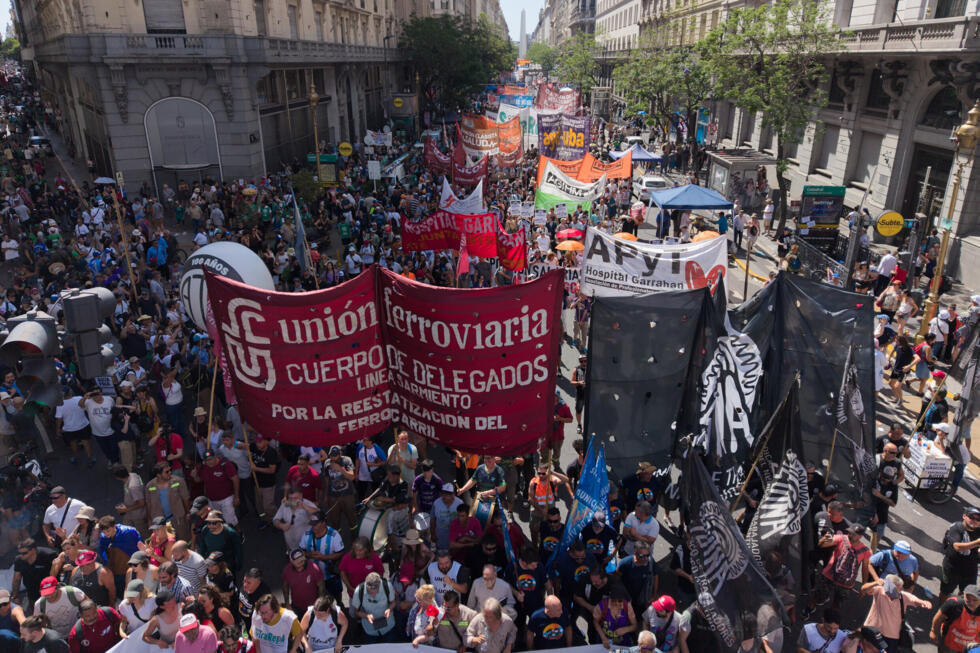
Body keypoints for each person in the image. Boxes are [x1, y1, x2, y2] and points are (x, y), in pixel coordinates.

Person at [860, 575, 930, 652]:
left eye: (899, 590)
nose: (897, 593)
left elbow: (915, 600)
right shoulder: (879, 591)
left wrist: (923, 602)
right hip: (873, 629)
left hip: (890, 636)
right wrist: (875, 582)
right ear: (887, 586)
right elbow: (864, 589)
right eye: (895, 590)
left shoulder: (903, 596)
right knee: (866, 649)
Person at [941, 508, 980, 604]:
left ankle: (958, 608)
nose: (974, 521)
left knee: (967, 593)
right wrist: (977, 542)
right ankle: (942, 609)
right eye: (972, 517)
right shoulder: (956, 528)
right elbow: (957, 546)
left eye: (978, 520)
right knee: (946, 591)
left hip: (970, 569)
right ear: (964, 516)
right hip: (952, 567)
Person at [145, 462, 192, 541]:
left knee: (183, 540)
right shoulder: (150, 486)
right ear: (158, 475)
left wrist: (188, 513)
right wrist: (149, 519)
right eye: (166, 472)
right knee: (165, 543)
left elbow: (185, 499)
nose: (170, 473)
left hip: (177, 519)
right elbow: (148, 504)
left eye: (170, 470)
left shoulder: (179, 481)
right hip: (160, 522)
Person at [931, 583, 980, 653]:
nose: (971, 602)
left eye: (975, 600)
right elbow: (939, 617)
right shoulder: (954, 604)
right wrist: (933, 631)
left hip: (970, 647)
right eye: (968, 598)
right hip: (949, 644)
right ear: (964, 595)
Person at [350, 572, 396, 643]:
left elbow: (393, 602)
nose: (373, 595)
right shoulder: (359, 591)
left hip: (388, 627)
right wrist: (366, 616)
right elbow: (356, 612)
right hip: (370, 630)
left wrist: (389, 609)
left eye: (376, 592)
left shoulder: (387, 586)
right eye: (370, 592)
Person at [13, 539, 59, 606]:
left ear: (33, 550)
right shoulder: (19, 560)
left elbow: (56, 573)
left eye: (24, 553)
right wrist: (15, 596)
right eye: (19, 553)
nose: (21, 555)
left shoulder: (49, 556)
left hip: (51, 591)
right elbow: (16, 579)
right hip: (32, 592)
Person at [272, 488, 317, 553]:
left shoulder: (307, 503)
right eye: (290, 498)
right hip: (290, 544)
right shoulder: (286, 504)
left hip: (306, 544)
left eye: (295, 498)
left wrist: (305, 507)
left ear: (301, 496)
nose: (293, 501)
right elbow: (275, 520)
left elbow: (319, 514)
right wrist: (281, 525)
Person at [281, 549, 323, 616]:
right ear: (291, 561)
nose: (301, 562)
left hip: (313, 606)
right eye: (298, 561)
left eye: (302, 559)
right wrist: (287, 603)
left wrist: (320, 603)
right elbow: (285, 586)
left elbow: (321, 586)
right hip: (296, 606)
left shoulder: (315, 569)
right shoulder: (287, 570)